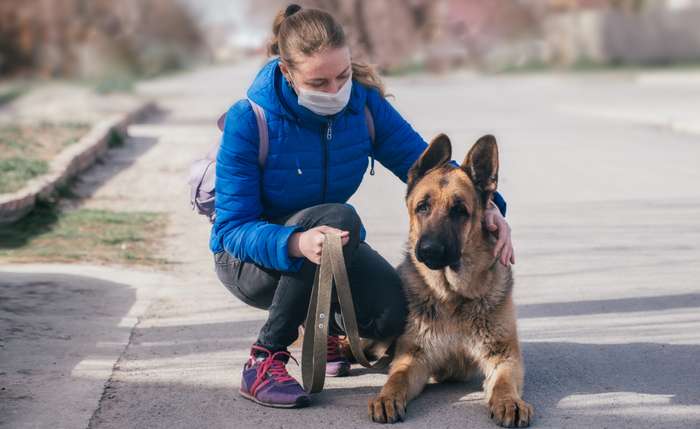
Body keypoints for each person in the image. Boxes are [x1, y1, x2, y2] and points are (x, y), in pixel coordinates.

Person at [210, 4, 514, 409]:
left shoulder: (364, 106)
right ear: (287, 73)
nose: (335, 91)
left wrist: (493, 209)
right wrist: (295, 243)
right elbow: (231, 229)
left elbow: (431, 168)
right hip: (250, 261)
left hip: (328, 244)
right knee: (339, 217)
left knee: (393, 314)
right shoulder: (249, 119)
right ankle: (265, 357)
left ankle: (325, 330)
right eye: (319, 82)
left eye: (343, 76)